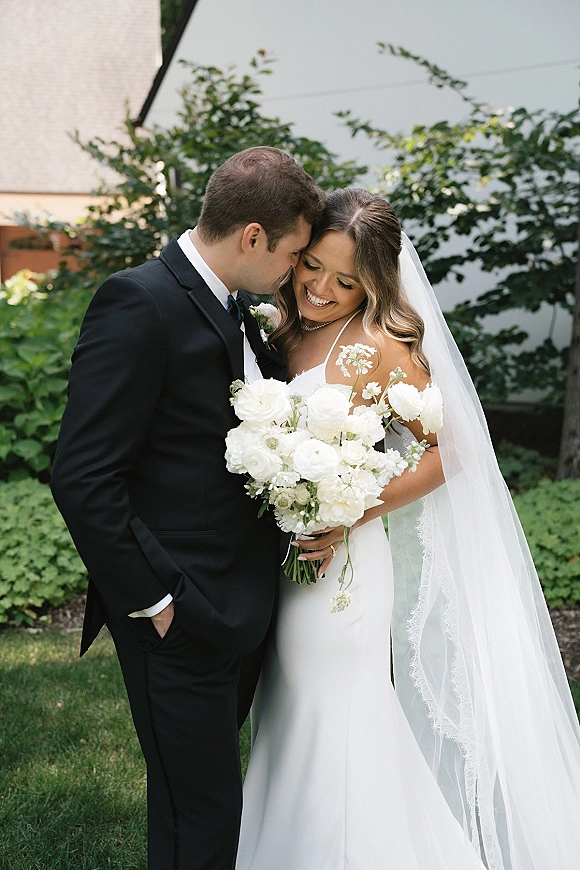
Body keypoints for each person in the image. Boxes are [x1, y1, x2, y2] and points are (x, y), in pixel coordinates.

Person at [235, 189, 580, 870]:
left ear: (374, 283)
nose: (322, 289)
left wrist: (346, 512)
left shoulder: (383, 346)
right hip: (282, 558)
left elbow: (451, 452)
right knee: (288, 711)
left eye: (346, 281)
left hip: (345, 568)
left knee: (335, 714)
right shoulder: (281, 327)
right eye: (314, 267)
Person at [50, 146, 323, 870]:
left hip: (237, 607)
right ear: (253, 237)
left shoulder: (233, 306)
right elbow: (82, 475)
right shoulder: (138, 301)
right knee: (201, 818)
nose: (296, 272)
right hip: (178, 613)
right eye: (295, 253)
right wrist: (155, 599)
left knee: (203, 809)